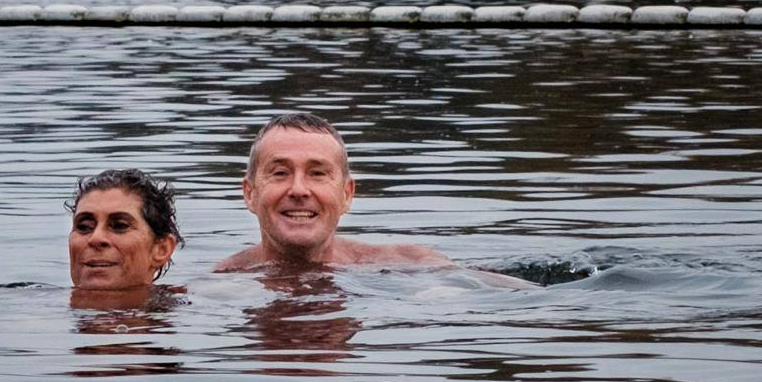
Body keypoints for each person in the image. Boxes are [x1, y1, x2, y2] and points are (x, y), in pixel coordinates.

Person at [215, 110, 530, 286]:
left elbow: (525, 296)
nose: (299, 189)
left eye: (318, 173)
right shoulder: (224, 284)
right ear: (250, 194)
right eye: (280, 173)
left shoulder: (411, 266)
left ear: (347, 194)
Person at [67, 169, 181, 295]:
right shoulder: (43, 305)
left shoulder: (194, 304)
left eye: (120, 226)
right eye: (84, 227)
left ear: (161, 249)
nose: (96, 238)